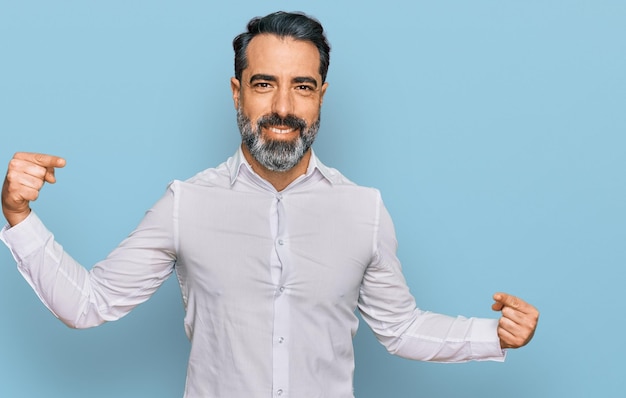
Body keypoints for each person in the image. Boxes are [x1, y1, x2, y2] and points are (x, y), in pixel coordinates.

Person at [1, 11, 538, 398]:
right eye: (264, 84)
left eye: (302, 86)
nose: (283, 107)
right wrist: (19, 218)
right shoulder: (185, 203)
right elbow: (89, 303)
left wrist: (490, 334)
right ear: (237, 92)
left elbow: (399, 328)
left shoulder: (365, 209)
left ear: (321, 95)